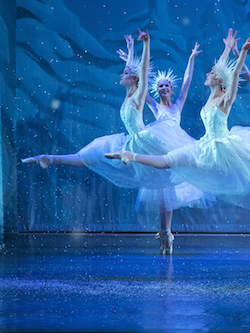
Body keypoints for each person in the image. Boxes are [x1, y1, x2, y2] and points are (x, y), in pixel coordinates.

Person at [105, 34, 250, 209]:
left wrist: (241, 51)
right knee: (168, 161)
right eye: (161, 86)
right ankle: (130, 156)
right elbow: (221, 70)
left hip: (221, 149)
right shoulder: (210, 97)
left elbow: (232, 75)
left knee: (179, 170)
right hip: (202, 146)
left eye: (211, 74)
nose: (207, 73)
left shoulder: (224, 101)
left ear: (218, 80)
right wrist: (227, 49)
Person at [118, 38, 211, 255]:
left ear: (171, 88)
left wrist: (191, 58)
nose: (163, 88)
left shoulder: (177, 106)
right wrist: (130, 56)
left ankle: (166, 233)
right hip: (157, 145)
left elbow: (187, 81)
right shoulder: (154, 105)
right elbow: (137, 83)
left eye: (166, 85)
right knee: (162, 191)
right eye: (160, 86)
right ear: (157, 91)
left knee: (168, 189)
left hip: (174, 147)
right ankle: (165, 233)